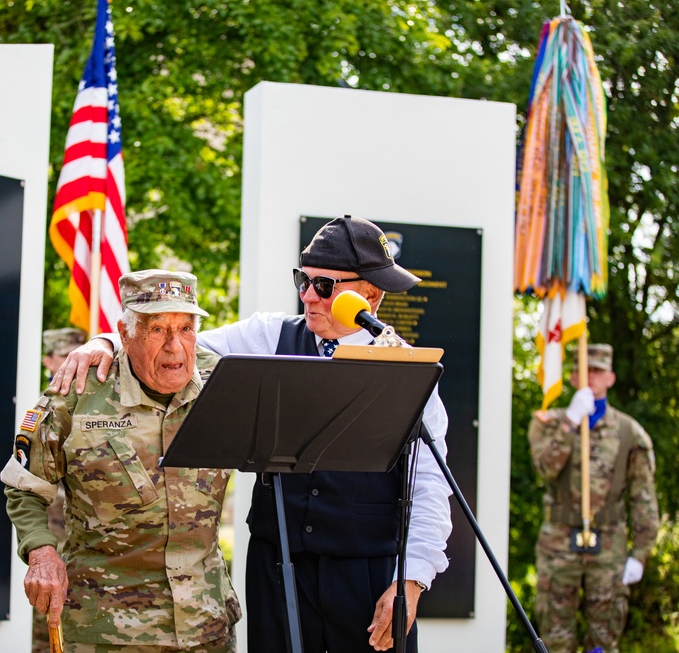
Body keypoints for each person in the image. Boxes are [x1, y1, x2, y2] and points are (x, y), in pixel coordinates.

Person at [52, 215, 452, 652]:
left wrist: (409, 583)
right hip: (278, 568)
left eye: (324, 286)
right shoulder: (268, 335)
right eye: (303, 280)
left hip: (367, 574)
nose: (307, 296)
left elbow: (429, 487)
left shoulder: (410, 371)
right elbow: (176, 347)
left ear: (370, 294)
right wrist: (108, 341)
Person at [2, 269, 241, 652]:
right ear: (124, 333)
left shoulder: (226, 384)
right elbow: (24, 485)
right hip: (106, 629)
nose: (174, 347)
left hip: (206, 625)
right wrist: (41, 552)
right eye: (157, 329)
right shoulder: (77, 392)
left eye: (186, 328)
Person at [528, 343, 660, 653]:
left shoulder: (630, 432)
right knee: (555, 638)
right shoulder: (549, 422)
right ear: (572, 378)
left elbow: (644, 499)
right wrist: (571, 423)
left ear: (611, 378)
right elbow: (546, 468)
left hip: (608, 547)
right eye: (584, 371)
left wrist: (640, 554)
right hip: (558, 545)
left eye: (598, 371)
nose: (590, 377)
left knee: (604, 638)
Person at [30, 327, 87, 653]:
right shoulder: (46, 409)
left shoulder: (94, 402)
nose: (74, 364)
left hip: (89, 540)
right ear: (48, 361)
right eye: (64, 357)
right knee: (49, 625)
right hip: (55, 536)